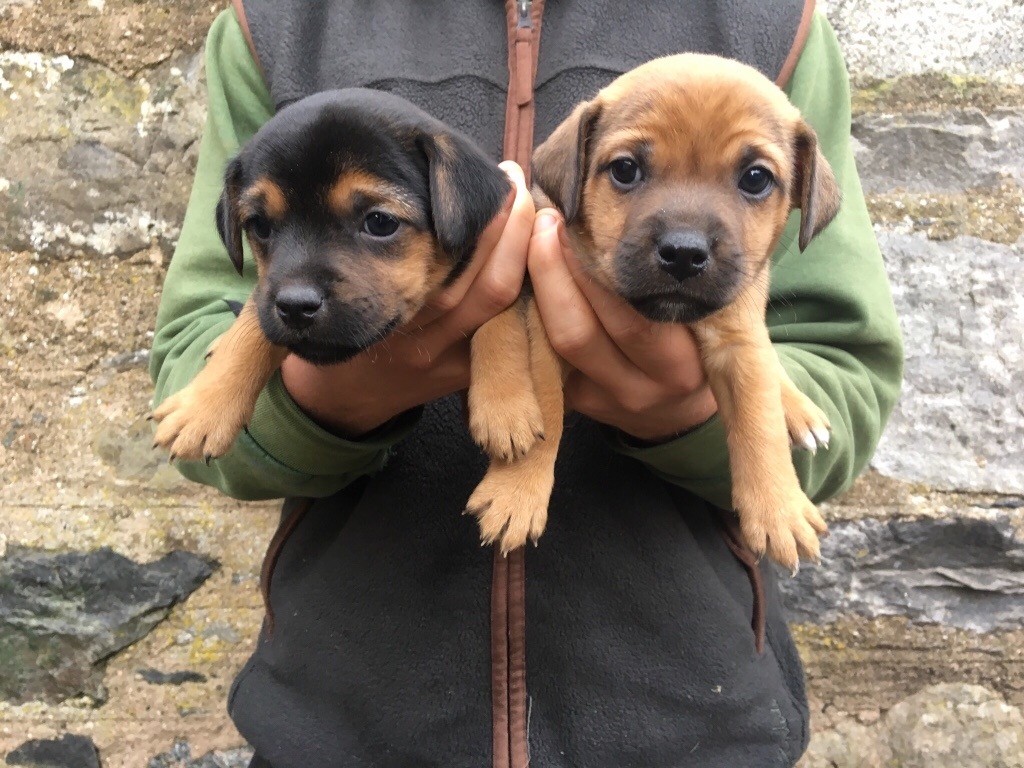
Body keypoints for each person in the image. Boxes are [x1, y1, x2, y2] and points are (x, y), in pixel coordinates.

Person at [150, 1, 903, 766]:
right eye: (627, 170)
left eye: (752, 179)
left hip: (687, 718)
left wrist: (696, 409)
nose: (684, 231)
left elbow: (844, 372)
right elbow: (197, 357)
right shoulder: (278, 21)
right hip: (347, 717)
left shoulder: (774, 23)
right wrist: (335, 401)